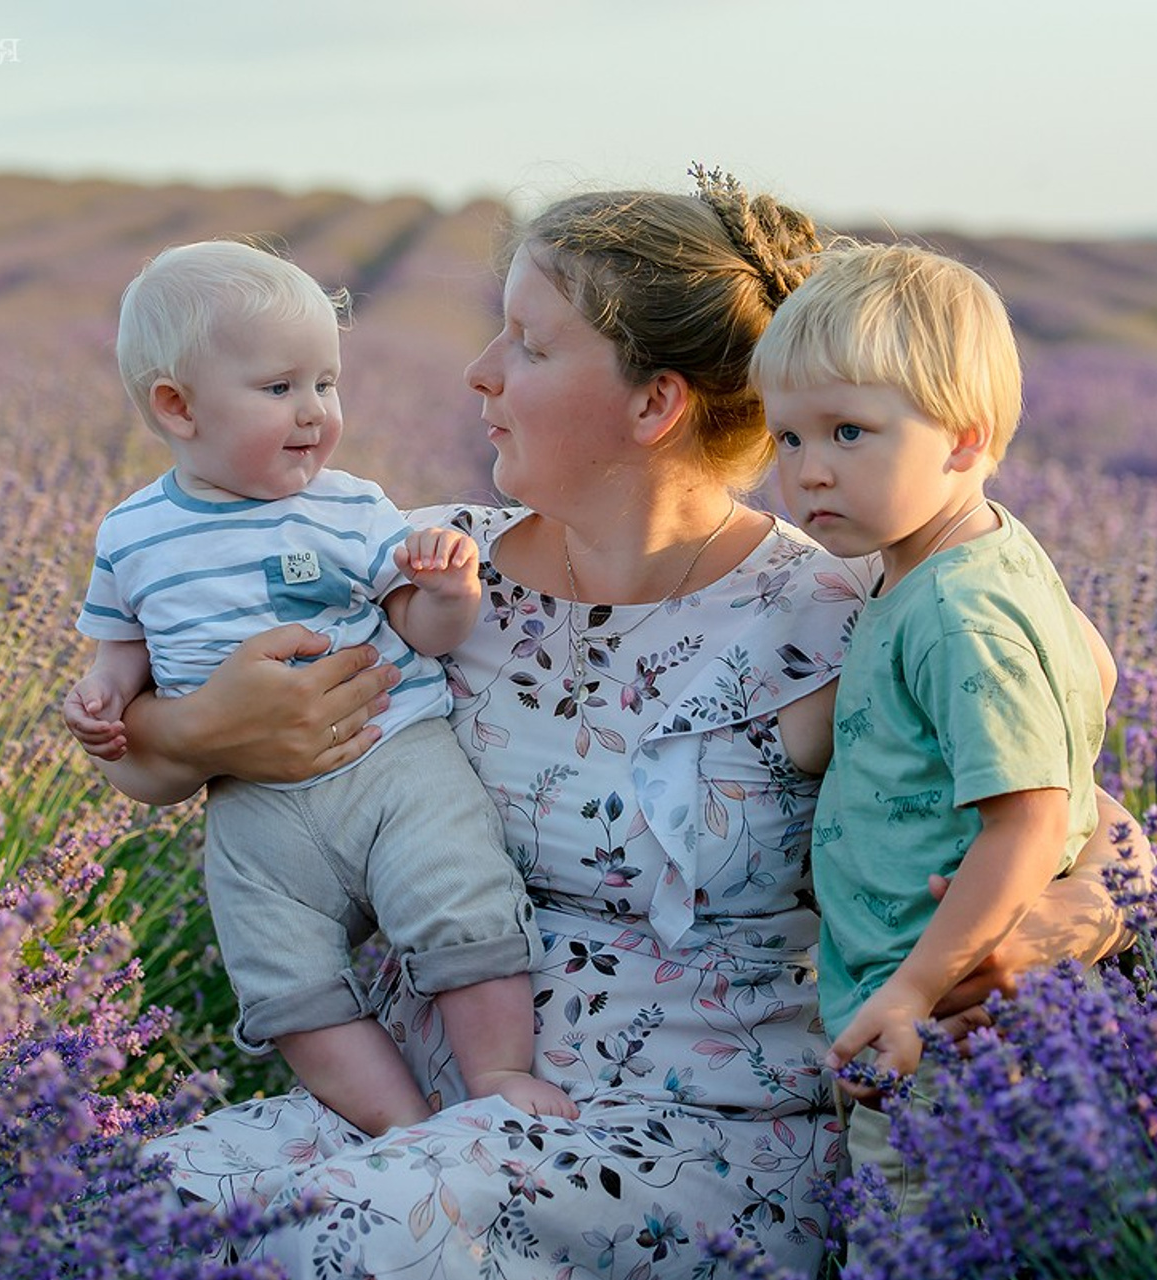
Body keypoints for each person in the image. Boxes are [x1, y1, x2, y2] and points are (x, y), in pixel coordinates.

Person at [99, 172, 1146, 1279]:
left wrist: (1070, 915)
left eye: (527, 344)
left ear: (653, 406)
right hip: (411, 1100)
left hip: (681, 1146)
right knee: (123, 1210)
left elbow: (1059, 802)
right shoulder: (426, 566)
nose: (478, 372)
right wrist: (197, 727)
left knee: (312, 1243)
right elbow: (149, 750)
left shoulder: (832, 618)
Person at [65, 239, 576, 1134]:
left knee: (463, 900)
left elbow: (419, 626)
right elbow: (121, 649)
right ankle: (399, 1126)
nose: (313, 413)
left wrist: (450, 592)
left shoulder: (348, 506)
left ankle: (496, 1070)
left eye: (326, 385)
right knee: (283, 979)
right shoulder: (133, 534)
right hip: (253, 808)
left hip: (393, 764)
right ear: (178, 408)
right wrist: (101, 699)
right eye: (279, 389)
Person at [749, 241, 1109, 1219]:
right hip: (922, 996)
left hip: (946, 1017)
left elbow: (1026, 822)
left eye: (848, 432)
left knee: (913, 1231)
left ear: (961, 438)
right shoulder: (954, 556)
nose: (808, 471)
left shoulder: (954, 613)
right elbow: (1098, 667)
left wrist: (912, 990)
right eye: (786, 439)